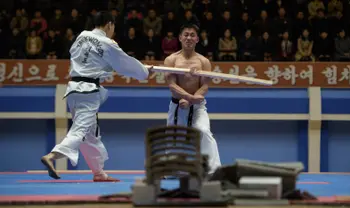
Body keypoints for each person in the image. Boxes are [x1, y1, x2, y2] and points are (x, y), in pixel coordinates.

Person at [41, 11, 151, 182]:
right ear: (109, 24)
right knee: (81, 128)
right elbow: (125, 62)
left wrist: (106, 66)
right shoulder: (108, 43)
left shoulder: (82, 36)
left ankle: (98, 173)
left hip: (73, 90)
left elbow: (80, 57)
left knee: (90, 134)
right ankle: (52, 156)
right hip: (88, 90)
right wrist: (144, 71)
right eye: (113, 27)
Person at [164, 24, 221, 175]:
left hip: (198, 106)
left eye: (192, 35)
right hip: (177, 106)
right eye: (186, 35)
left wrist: (191, 100)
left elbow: (205, 86)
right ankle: (172, 170)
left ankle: (213, 170)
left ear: (197, 39)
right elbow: (171, 84)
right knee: (173, 137)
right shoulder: (171, 60)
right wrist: (187, 97)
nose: (189, 38)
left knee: (203, 131)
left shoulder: (204, 62)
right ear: (180, 38)